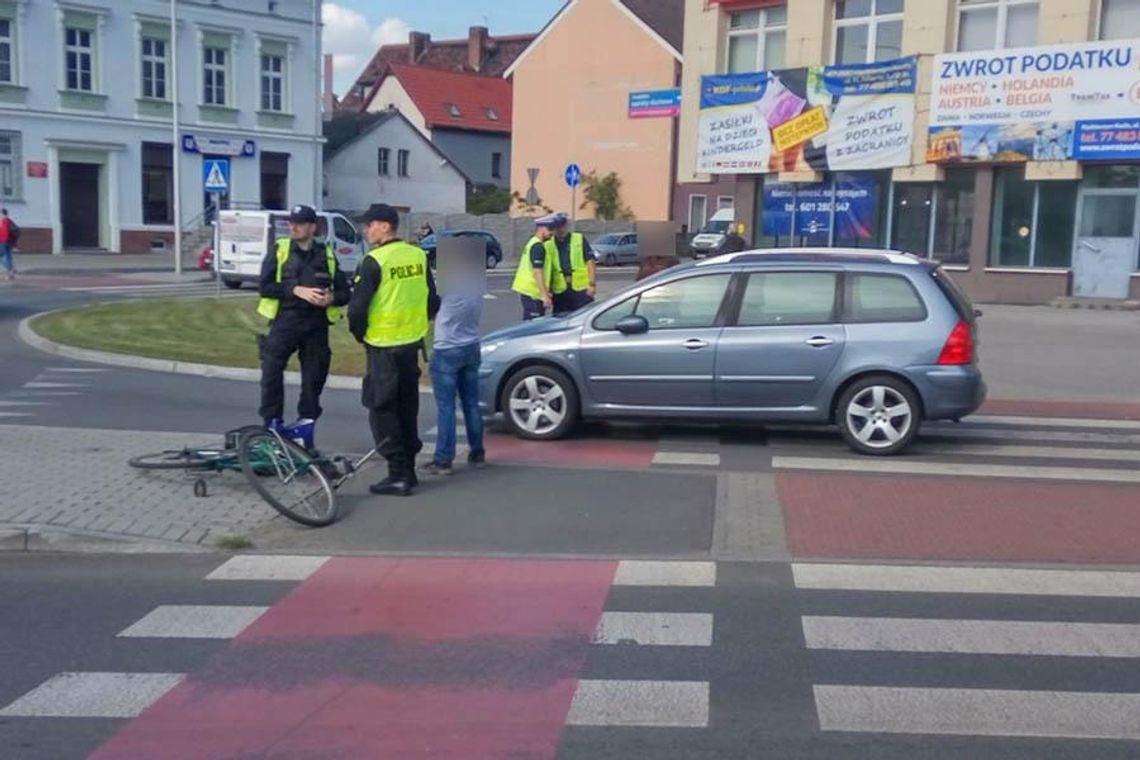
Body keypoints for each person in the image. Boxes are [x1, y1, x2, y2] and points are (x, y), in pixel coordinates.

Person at [349, 203, 440, 497]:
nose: (366, 230)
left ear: (385, 226)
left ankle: (397, 474)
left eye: (370, 224)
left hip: (383, 346)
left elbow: (357, 309)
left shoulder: (374, 260)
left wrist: (360, 334)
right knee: (406, 407)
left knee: (382, 408)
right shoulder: (418, 255)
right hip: (411, 344)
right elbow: (432, 300)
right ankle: (409, 471)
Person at [257, 204, 350, 442]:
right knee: (271, 371)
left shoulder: (326, 253)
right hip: (286, 320)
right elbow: (265, 287)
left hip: (316, 324)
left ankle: (305, 426)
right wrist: (295, 290)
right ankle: (272, 424)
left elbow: (344, 291)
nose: (293, 227)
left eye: (299, 223)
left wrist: (332, 298)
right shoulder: (280, 249)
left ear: (312, 227)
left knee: (314, 376)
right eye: (291, 223)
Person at [420, 249, 486, 477]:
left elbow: (429, 307)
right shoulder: (476, 286)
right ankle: (477, 452)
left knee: (446, 407)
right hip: (471, 345)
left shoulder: (445, 287)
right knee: (471, 404)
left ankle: (443, 459)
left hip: (447, 347)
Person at [511, 213, 563, 320]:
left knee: (529, 324)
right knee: (533, 326)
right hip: (533, 292)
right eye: (550, 229)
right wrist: (544, 295)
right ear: (541, 228)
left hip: (529, 291)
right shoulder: (538, 246)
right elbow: (537, 272)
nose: (552, 233)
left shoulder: (533, 242)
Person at [549, 214, 597, 314]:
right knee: (560, 319)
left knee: (584, 316)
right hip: (560, 289)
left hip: (580, 288)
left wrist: (592, 284)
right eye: (557, 227)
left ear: (566, 225)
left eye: (562, 226)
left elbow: (590, 261)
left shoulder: (578, 238)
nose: (560, 230)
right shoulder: (549, 243)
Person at [0, 208, 16, 281]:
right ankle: (11, 275)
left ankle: (10, 269)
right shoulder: (9, 220)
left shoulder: (3, 221)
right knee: (8, 256)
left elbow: (3, 231)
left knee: (1, 257)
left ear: (2, 214)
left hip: (3, 240)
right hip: (9, 241)